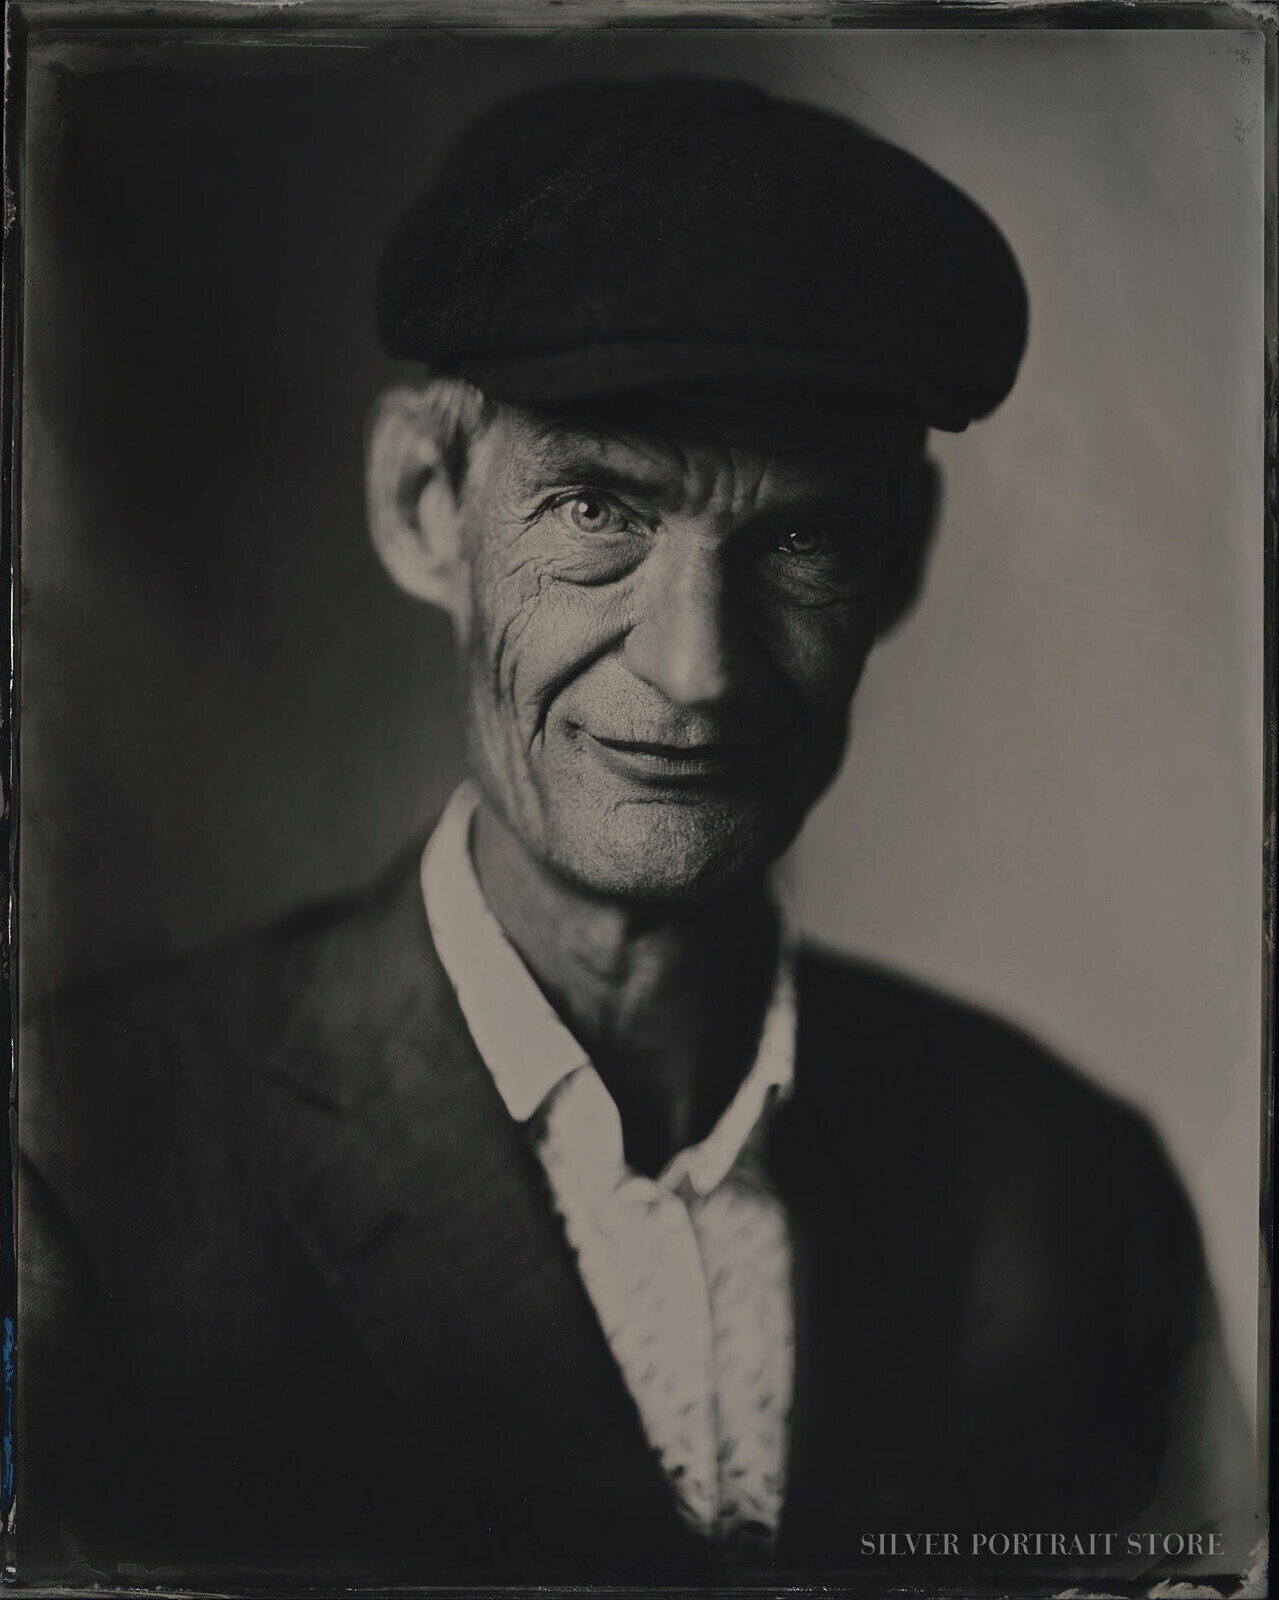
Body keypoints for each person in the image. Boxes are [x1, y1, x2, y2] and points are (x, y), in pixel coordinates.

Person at [18, 76, 1253, 1589]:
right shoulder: (83, 1170)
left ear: (901, 557)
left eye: (796, 538)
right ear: (424, 504)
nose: (698, 668)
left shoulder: (1070, 1204)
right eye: (599, 511)